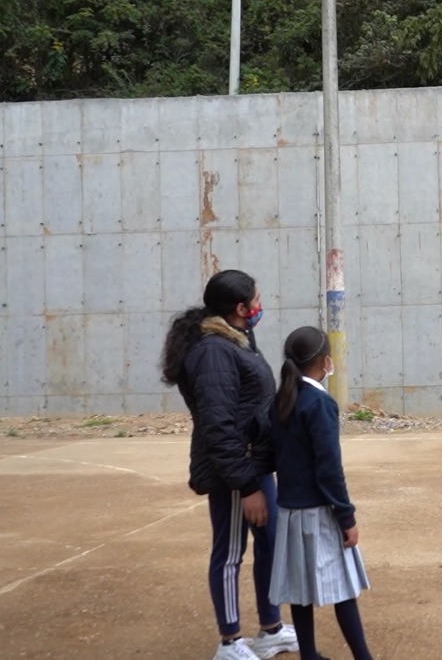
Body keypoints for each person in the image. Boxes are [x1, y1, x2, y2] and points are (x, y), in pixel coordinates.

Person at [162, 269, 299, 660]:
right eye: (256, 299)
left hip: (254, 463)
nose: (260, 306)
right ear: (240, 308)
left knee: (270, 544)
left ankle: (270, 629)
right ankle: (230, 641)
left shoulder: (236, 341)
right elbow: (218, 425)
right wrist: (247, 485)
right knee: (230, 552)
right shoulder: (213, 352)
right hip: (234, 470)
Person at [269, 326, 374, 660]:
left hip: (289, 509)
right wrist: (346, 515)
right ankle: (363, 657)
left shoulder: (281, 400)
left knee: (300, 591)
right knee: (343, 589)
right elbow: (329, 468)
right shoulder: (320, 403)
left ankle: (309, 655)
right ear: (326, 361)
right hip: (318, 511)